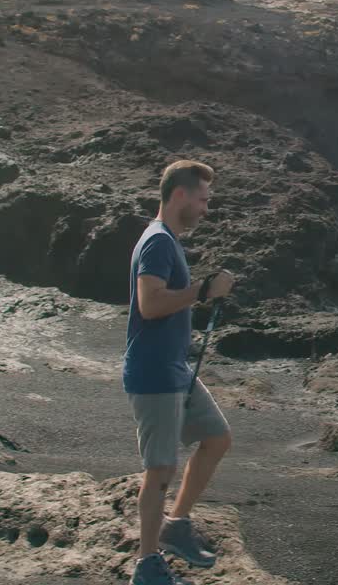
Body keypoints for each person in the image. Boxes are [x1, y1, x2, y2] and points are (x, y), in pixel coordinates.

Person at [125, 160, 236, 585]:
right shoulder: (156, 242)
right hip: (153, 374)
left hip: (175, 369)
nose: (207, 209)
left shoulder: (168, 240)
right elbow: (149, 304)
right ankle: (147, 563)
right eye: (204, 199)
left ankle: (176, 525)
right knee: (160, 471)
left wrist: (199, 291)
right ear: (180, 196)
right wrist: (203, 291)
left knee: (216, 438)